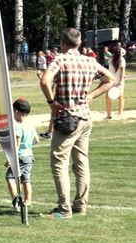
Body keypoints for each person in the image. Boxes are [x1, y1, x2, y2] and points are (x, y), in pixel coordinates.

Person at [40, 27, 114, 219]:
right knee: (81, 163)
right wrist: (92, 95)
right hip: (85, 118)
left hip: (66, 118)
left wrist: (51, 102)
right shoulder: (90, 61)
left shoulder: (60, 60)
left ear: (63, 43)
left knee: (59, 162)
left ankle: (64, 209)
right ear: (79, 43)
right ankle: (81, 204)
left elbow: (45, 81)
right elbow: (110, 79)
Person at [5, 99, 40, 211]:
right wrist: (28, 145)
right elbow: (37, 140)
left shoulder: (18, 127)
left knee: (10, 177)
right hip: (29, 156)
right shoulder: (30, 125)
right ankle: (27, 201)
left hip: (19, 156)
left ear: (16, 111)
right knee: (26, 179)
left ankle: (16, 199)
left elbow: (17, 144)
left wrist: (10, 159)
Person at [105, 45, 126, 120]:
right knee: (107, 97)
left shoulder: (122, 60)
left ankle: (120, 114)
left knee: (120, 97)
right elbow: (109, 71)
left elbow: (123, 72)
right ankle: (108, 115)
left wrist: (120, 82)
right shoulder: (110, 60)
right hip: (111, 81)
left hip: (119, 81)